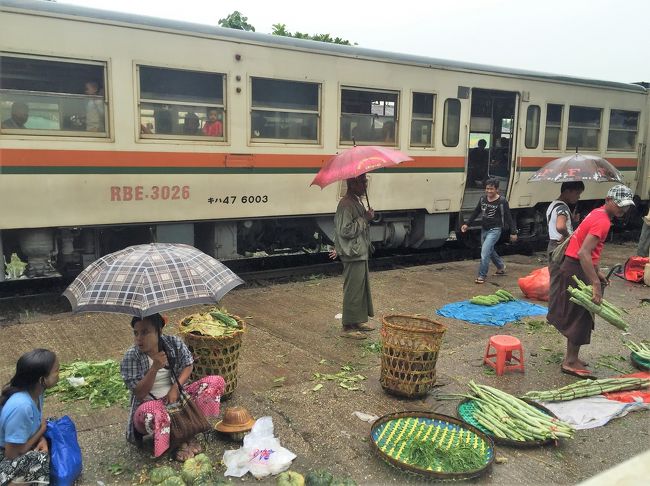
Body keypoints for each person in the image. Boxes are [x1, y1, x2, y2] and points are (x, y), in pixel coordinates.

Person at [547, 185, 635, 379]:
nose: (623, 209)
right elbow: (584, 253)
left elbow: (588, 251)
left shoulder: (597, 213)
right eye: (619, 204)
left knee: (582, 314)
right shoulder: (602, 221)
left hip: (574, 265)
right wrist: (595, 284)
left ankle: (573, 357)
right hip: (576, 266)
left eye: (626, 206)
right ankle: (570, 362)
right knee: (580, 314)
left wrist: (597, 273)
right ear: (608, 199)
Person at [120, 314, 225, 461]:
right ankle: (175, 444)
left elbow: (189, 364)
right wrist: (154, 368)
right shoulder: (131, 357)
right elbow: (139, 393)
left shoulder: (173, 343)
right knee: (156, 412)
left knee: (215, 382)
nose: (139, 338)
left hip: (177, 399)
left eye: (145, 332)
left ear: (159, 331)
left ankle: (192, 429)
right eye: (136, 333)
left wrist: (175, 388)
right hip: (149, 407)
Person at [0, 349, 59, 486]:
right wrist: (41, 430)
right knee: (39, 460)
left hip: (16, 444)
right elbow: (11, 454)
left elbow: (36, 421)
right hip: (5, 454)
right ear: (42, 380)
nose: (58, 375)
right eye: (56, 371)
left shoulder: (38, 391)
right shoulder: (21, 407)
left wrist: (41, 438)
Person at [332, 175, 375, 340]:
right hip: (353, 253)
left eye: (365, 181)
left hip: (358, 251)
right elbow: (346, 230)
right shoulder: (346, 204)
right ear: (353, 184)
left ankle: (357, 320)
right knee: (353, 290)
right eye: (362, 182)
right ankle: (347, 327)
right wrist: (365, 218)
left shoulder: (355, 201)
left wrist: (366, 216)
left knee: (361, 289)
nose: (365, 185)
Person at [461, 178, 518, 284]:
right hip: (484, 229)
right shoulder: (483, 199)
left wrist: (513, 232)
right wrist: (467, 224)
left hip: (495, 229)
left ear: (497, 189)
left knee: (484, 252)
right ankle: (501, 267)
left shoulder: (502, 201)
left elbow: (509, 217)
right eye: (487, 189)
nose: (489, 191)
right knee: (489, 250)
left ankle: (481, 275)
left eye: (491, 189)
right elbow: (476, 211)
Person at [546, 181, 585, 260]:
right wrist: (566, 236)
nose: (578, 197)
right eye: (577, 193)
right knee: (565, 271)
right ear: (567, 191)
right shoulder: (562, 208)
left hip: (553, 244)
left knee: (556, 271)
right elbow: (560, 227)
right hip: (561, 245)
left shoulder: (553, 204)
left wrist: (572, 220)